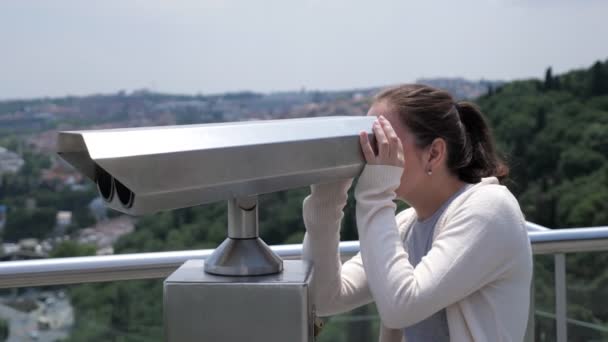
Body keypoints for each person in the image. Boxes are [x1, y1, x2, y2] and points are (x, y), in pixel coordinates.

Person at [302, 84, 533, 342]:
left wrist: (375, 195)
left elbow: (401, 308)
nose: (371, 156)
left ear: (433, 153)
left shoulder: (490, 209)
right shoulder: (406, 225)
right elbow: (325, 298)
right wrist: (326, 203)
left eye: (385, 142)